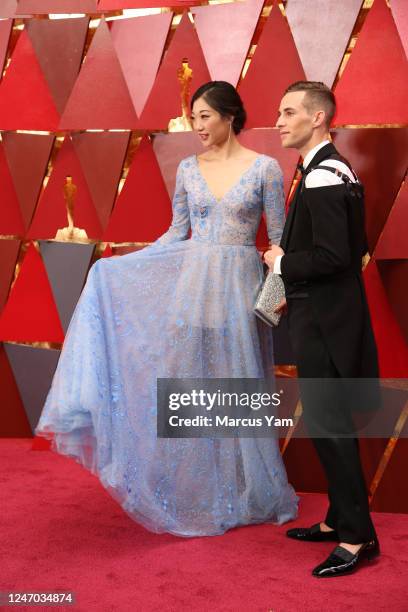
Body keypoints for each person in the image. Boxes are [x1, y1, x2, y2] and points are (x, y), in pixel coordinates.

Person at [35, 81, 298, 537]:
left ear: (229, 116)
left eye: (204, 116)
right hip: (192, 288)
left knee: (237, 384)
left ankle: (246, 488)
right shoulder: (189, 169)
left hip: (239, 289)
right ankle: (192, 488)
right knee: (192, 383)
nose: (196, 125)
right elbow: (176, 234)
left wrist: (276, 301)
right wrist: (121, 267)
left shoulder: (265, 169)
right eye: (193, 117)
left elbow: (279, 242)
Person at [264, 81, 380, 577]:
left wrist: (282, 261)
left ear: (318, 118)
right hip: (325, 315)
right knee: (327, 423)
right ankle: (338, 519)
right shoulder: (324, 170)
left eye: (289, 112)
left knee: (332, 427)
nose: (280, 121)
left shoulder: (325, 175)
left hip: (328, 321)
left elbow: (338, 256)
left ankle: (357, 539)